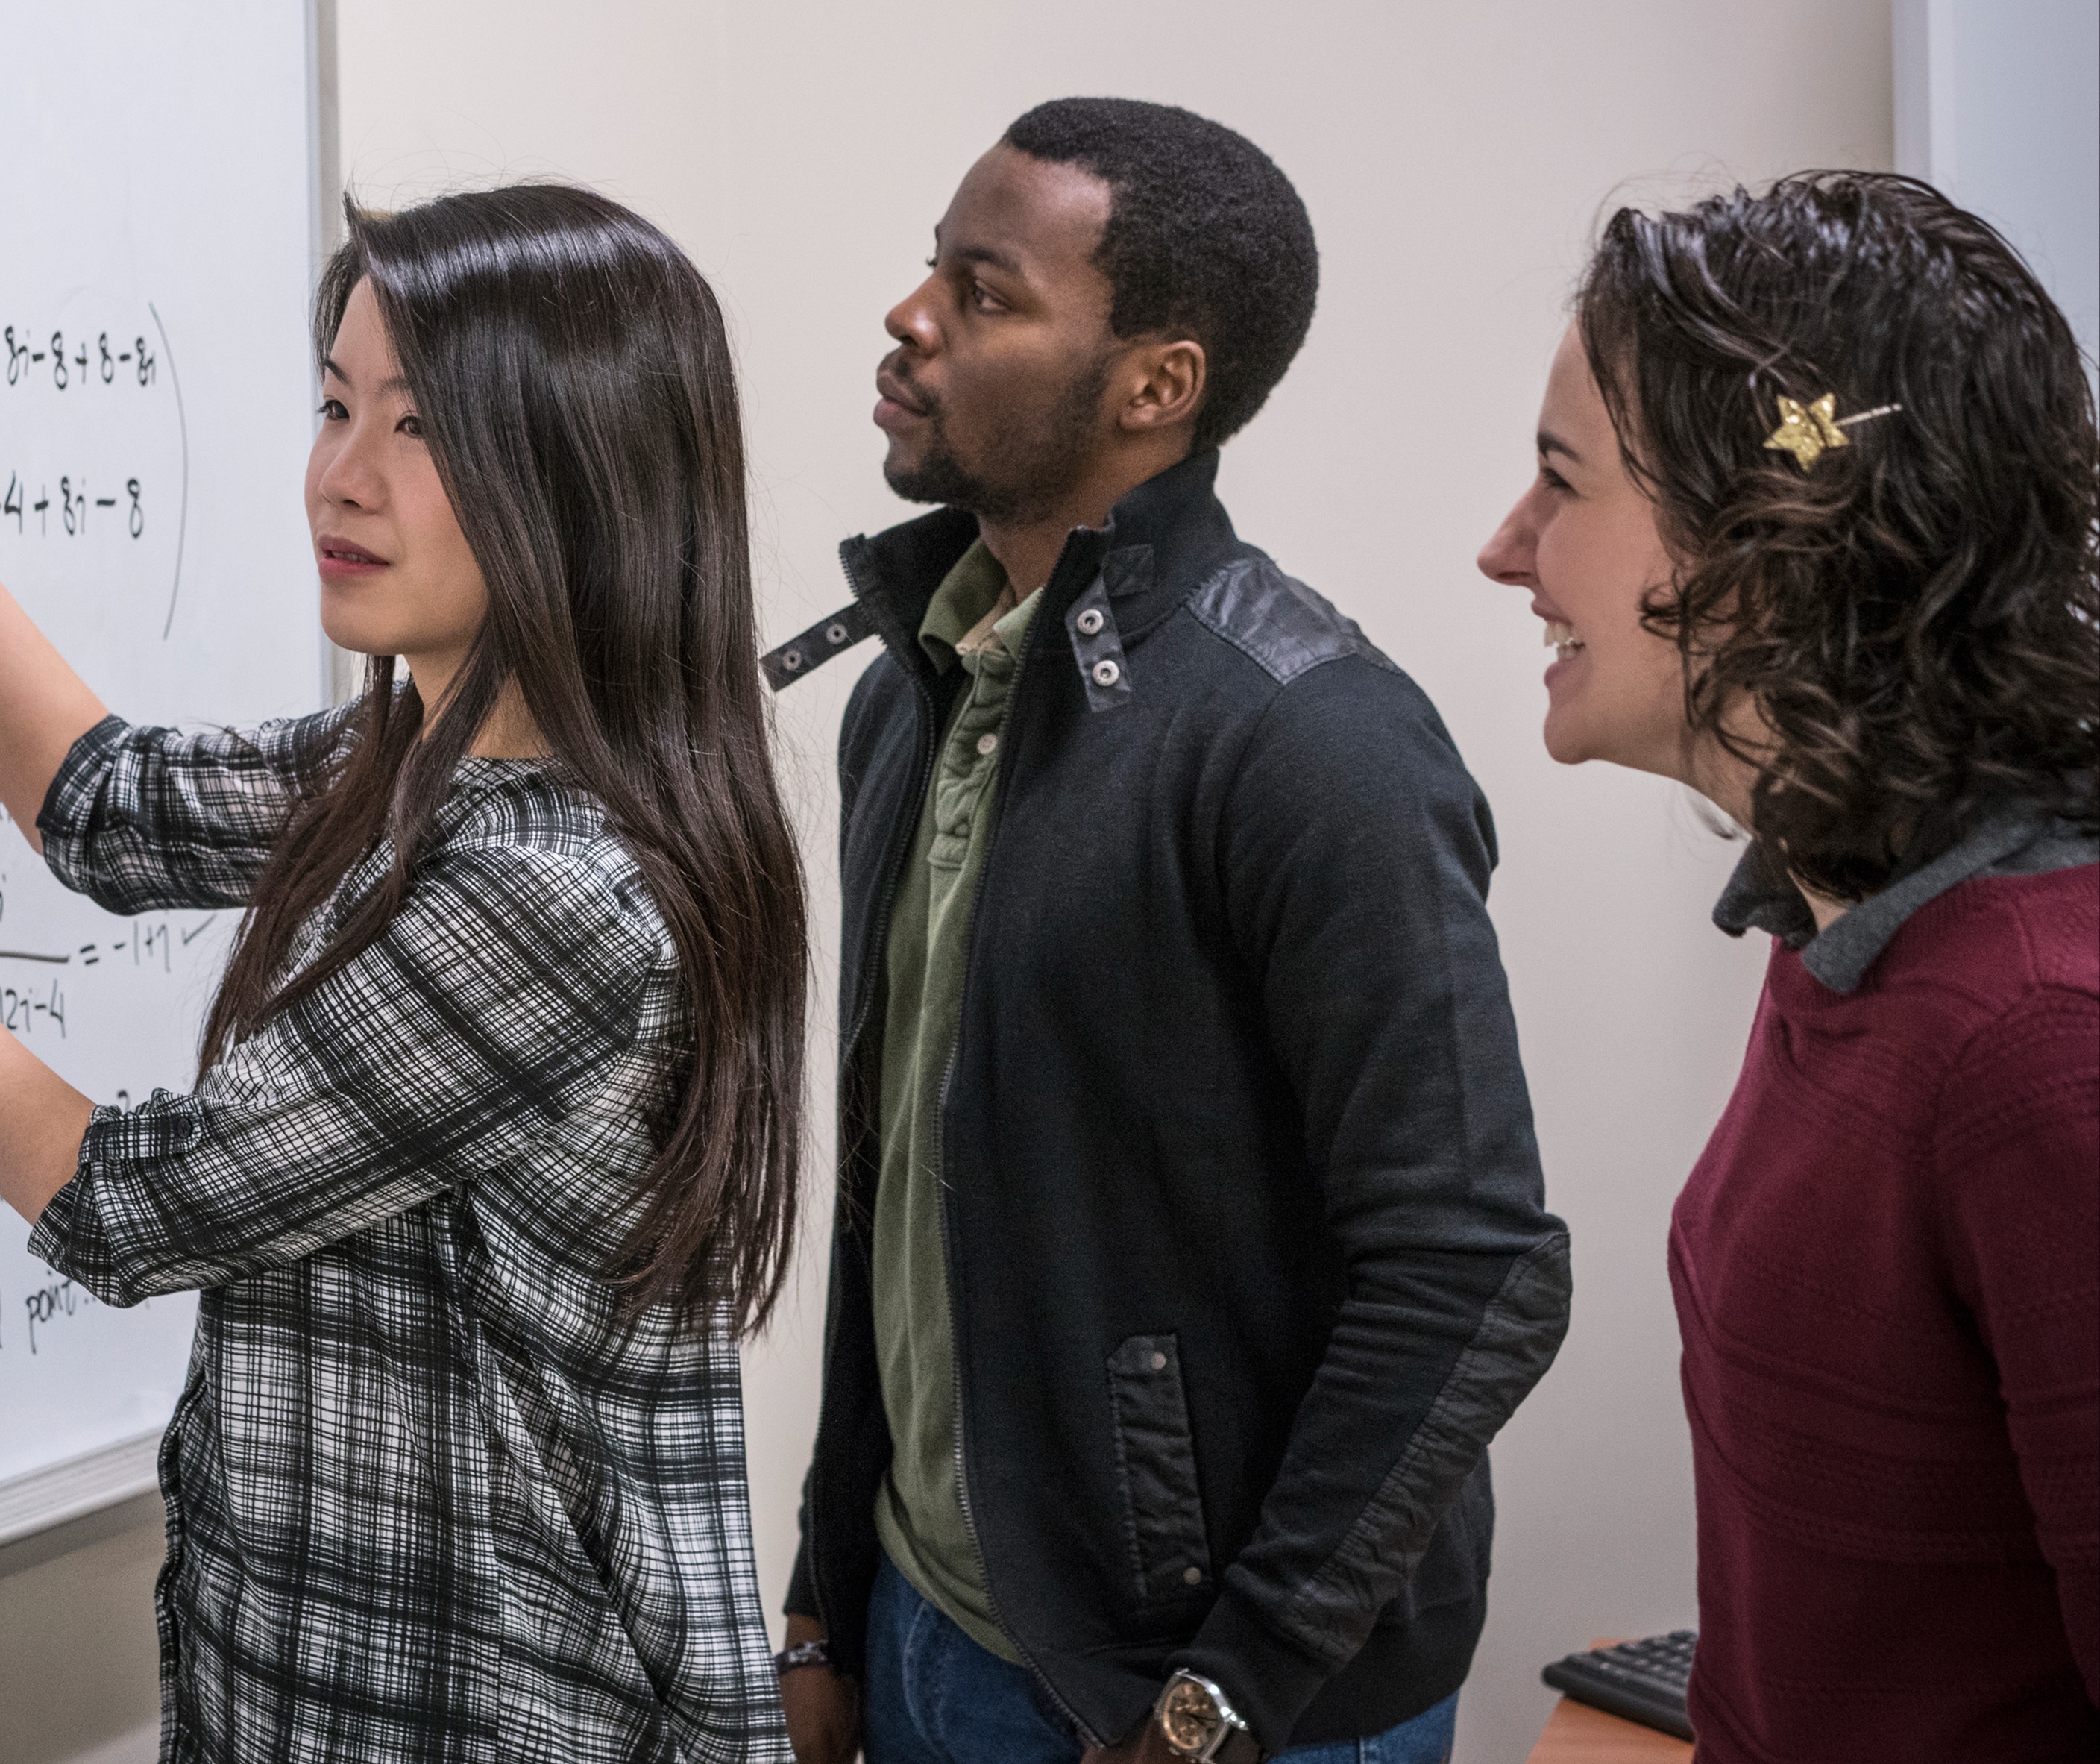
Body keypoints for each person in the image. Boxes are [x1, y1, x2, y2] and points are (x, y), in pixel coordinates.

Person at [0, 188, 814, 1759]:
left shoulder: (560, 888)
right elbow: (101, 801)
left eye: (417, 429)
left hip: (490, 1713)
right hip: (307, 1687)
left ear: (578, 467)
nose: (336, 475)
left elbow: (131, 1207)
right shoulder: (412, 757)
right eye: (335, 405)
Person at [770, 99, 1570, 1764]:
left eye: (982, 293)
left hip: (1207, 1703)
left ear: (1154, 386)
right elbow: (895, 1205)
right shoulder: (906, 700)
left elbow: (1469, 1267)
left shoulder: (1313, 739)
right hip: (932, 1636)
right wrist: (826, 1596)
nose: (911, 319)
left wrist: (1220, 1698)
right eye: (932, 270)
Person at [1476, 169, 2100, 1760]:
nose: (1503, 548)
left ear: (1761, 542)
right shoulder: (1838, 920)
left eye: (1559, 483)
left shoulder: (2035, 1048)